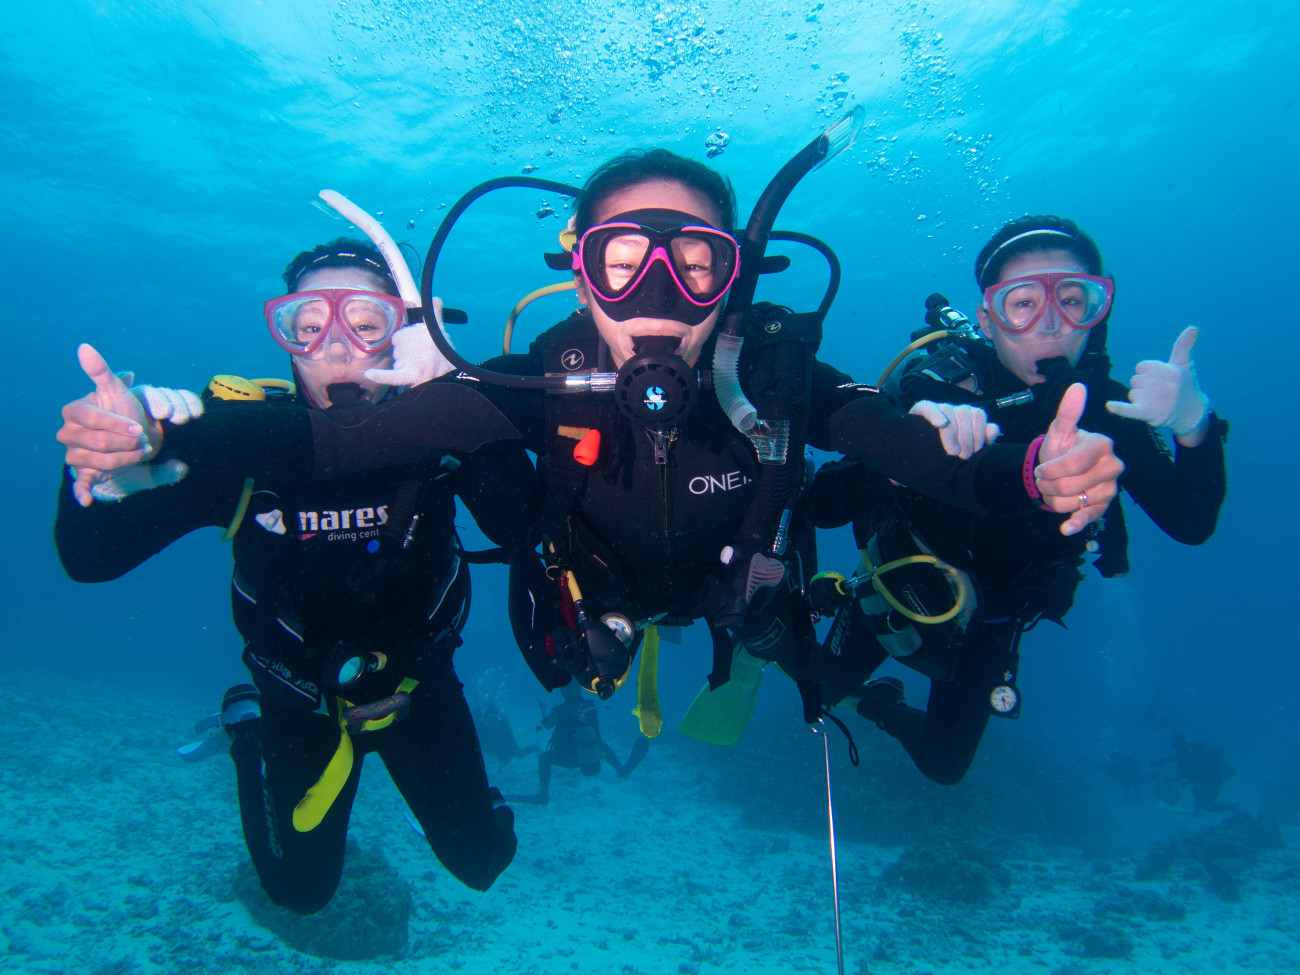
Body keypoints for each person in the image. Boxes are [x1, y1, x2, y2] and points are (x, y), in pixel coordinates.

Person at [55, 155, 1125, 747]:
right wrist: (168, 430)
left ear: (734, 278)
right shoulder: (535, 378)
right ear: (581, 276)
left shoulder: (777, 372)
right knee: (563, 661)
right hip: (588, 605)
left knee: (794, 654)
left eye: (693, 262)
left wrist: (1035, 473)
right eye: (621, 258)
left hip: (739, 596)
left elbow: (922, 460)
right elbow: (341, 438)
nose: (656, 292)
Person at [55, 238, 532, 914]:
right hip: (297, 694)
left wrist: (460, 397)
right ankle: (244, 730)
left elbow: (522, 527)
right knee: (300, 892)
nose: (335, 347)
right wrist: (107, 469)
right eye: (306, 326)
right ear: (285, 341)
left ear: (405, 332)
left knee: (483, 862)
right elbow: (89, 559)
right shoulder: (240, 440)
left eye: (366, 323)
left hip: (416, 682)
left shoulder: (438, 432)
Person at [811, 215, 1227, 784]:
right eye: (1024, 303)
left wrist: (1193, 425)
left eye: (1073, 301)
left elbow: (1192, 522)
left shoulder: (1114, 411)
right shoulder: (936, 389)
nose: (1051, 324)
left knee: (945, 764)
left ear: (1098, 311)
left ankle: (881, 703)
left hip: (996, 617)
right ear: (988, 318)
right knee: (817, 690)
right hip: (898, 583)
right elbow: (823, 504)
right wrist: (908, 454)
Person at [507, 682, 650, 805]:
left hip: (568, 759)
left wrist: (542, 708)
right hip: (591, 756)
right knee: (601, 745)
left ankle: (543, 794)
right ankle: (621, 769)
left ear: (563, 693)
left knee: (544, 758)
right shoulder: (590, 706)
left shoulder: (559, 710)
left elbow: (547, 725)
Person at [1153, 734, 1237, 815]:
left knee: (1207, 805)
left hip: (1212, 781)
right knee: (1200, 794)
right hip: (1209, 781)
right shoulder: (1191, 756)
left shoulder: (1190, 757)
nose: (1178, 751)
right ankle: (1197, 810)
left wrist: (1166, 779)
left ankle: (1233, 807)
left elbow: (1182, 775)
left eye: (1178, 747)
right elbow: (1186, 773)